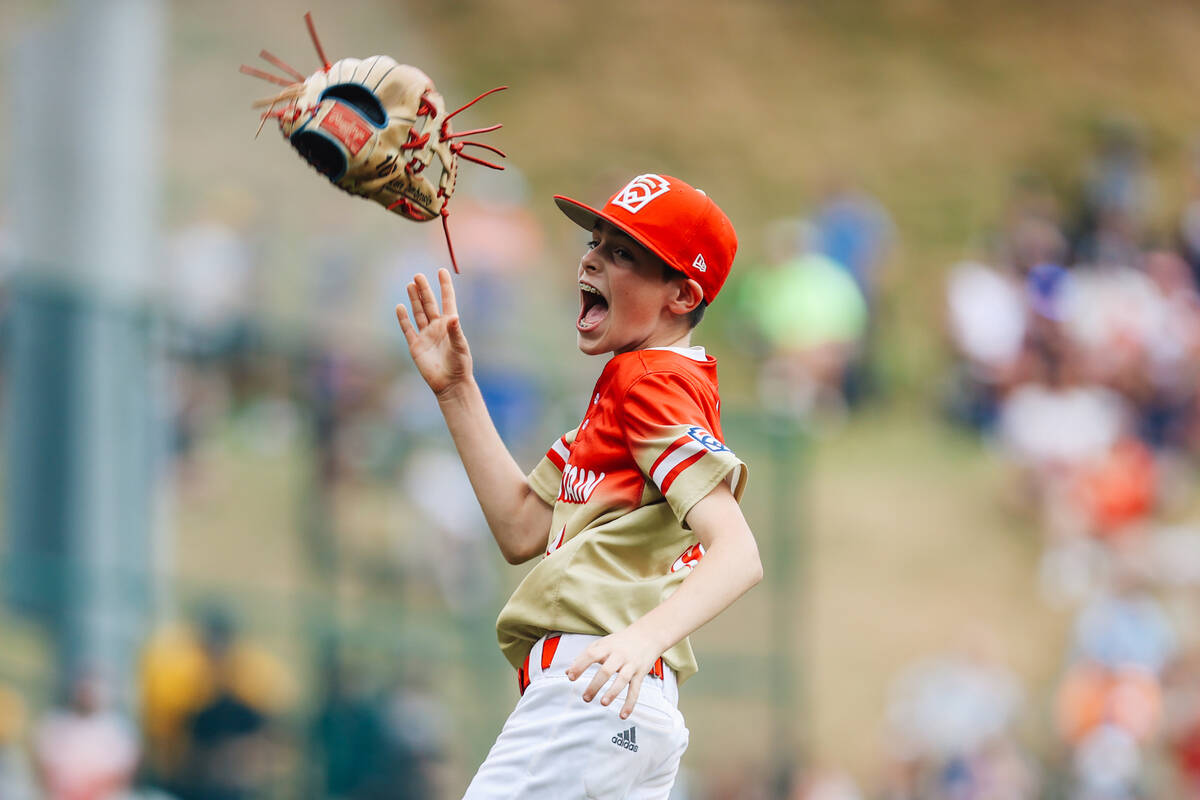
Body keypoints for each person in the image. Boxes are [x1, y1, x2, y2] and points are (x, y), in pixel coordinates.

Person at [395, 173, 763, 798]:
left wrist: (643, 637)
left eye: (624, 253)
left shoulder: (646, 384)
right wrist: (456, 389)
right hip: (630, 710)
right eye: (596, 241)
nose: (591, 257)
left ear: (682, 294)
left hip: (592, 686)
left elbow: (738, 554)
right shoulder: (634, 399)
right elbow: (521, 528)